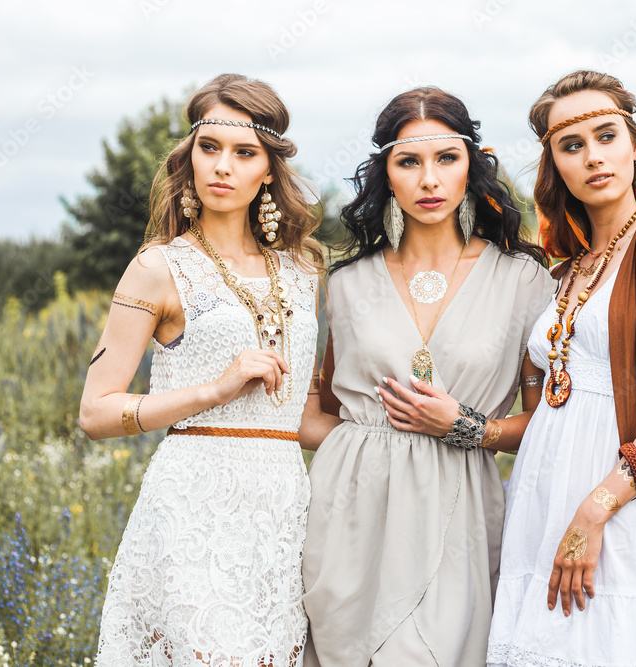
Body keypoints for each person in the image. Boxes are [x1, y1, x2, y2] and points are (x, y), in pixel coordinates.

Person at [296, 87, 555, 666]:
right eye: (409, 161)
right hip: (351, 513)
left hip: (458, 508)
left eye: (446, 158)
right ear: (386, 173)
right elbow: (324, 409)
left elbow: (546, 424)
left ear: (473, 165)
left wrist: (467, 427)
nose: (429, 179)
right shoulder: (346, 283)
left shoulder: (525, 281)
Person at [487, 70, 636, 667]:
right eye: (572, 145)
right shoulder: (564, 272)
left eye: (606, 135)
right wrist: (466, 428)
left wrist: (596, 508)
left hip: (619, 498)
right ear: (555, 167)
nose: (593, 156)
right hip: (541, 500)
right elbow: (547, 409)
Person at [80, 73, 323, 666]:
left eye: (244, 153)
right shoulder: (157, 268)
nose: (222, 166)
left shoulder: (303, 272)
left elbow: (305, 417)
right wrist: (214, 389)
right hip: (193, 504)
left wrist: (407, 439)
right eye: (208, 148)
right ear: (189, 158)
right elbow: (96, 412)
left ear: (269, 170)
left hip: (282, 506)